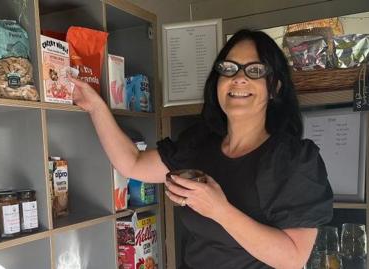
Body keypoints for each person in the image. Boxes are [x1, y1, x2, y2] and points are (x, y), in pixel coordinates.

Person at [70, 29, 333, 269]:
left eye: (255, 71)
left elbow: (293, 258)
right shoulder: (200, 143)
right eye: (228, 69)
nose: (238, 79)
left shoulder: (295, 160)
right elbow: (133, 163)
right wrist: (96, 106)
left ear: (274, 87)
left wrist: (219, 209)